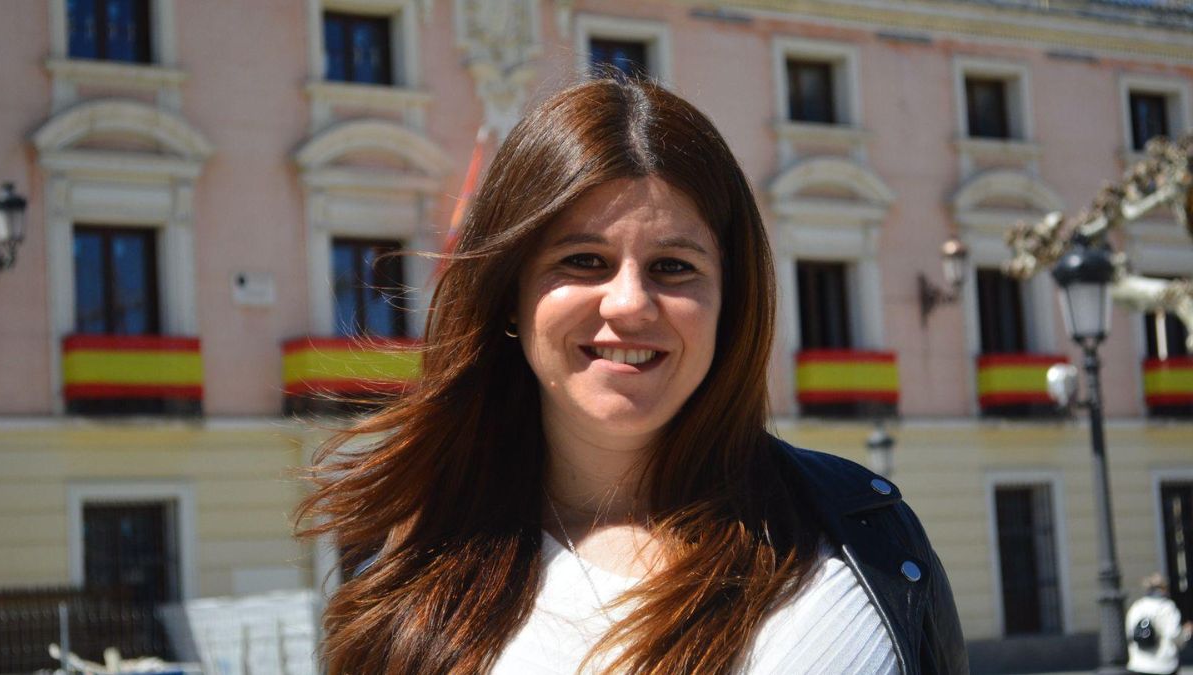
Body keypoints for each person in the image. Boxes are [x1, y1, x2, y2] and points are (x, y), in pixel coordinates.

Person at [297, 78, 966, 674]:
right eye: (583, 260)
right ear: (511, 297)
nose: (629, 304)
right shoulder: (409, 575)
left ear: (730, 302)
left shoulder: (864, 541)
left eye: (674, 267)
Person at [1126, 573, 1191, 675]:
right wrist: (1186, 632)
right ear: (1163, 588)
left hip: (1139, 663)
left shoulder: (1137, 606)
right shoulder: (1167, 607)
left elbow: (1129, 632)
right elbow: (1174, 635)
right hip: (1163, 665)